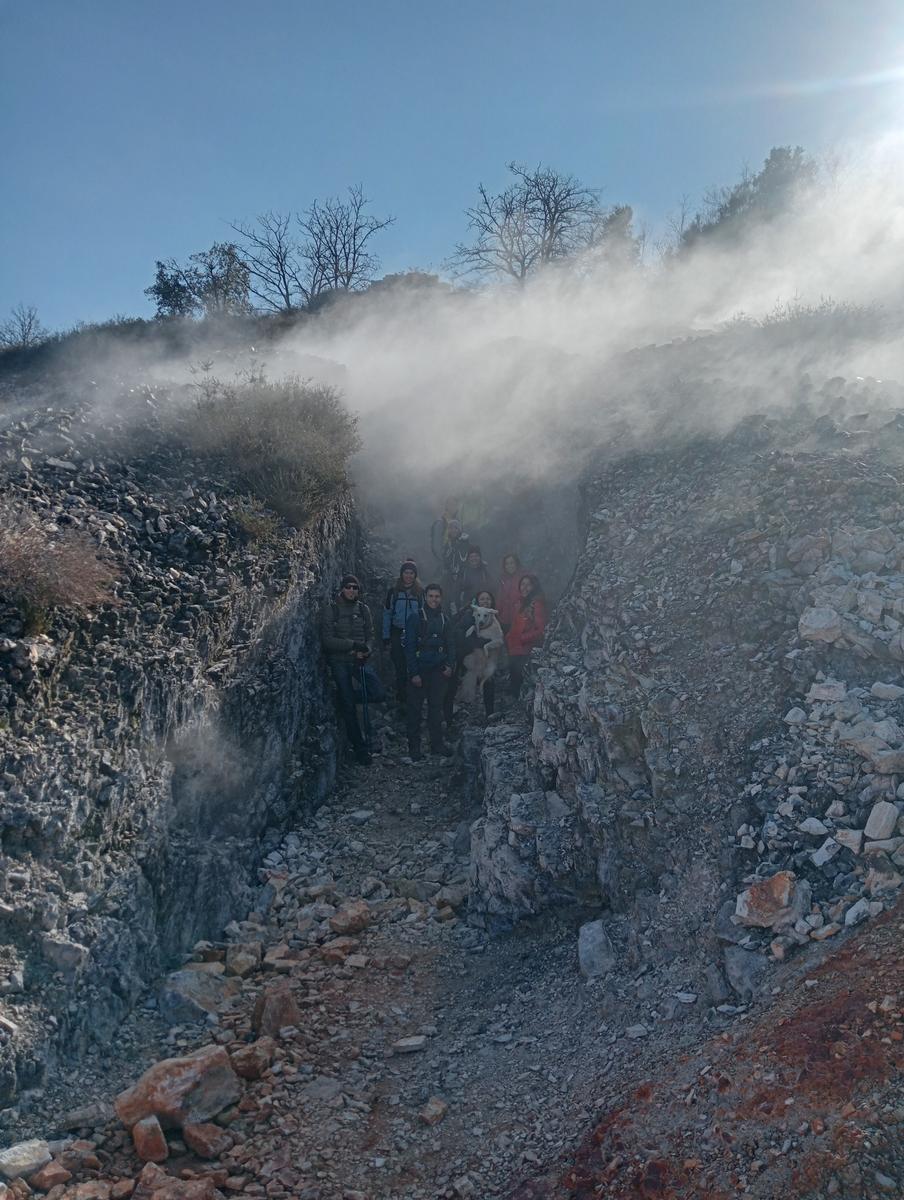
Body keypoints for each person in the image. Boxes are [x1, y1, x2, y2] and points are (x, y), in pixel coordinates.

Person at [321, 574, 374, 765]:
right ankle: (360, 748)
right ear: (342, 589)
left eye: (355, 588)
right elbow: (327, 641)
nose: (352, 590)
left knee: (378, 692)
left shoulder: (363, 609)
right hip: (340, 662)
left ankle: (345, 697)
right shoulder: (331, 610)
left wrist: (366, 650)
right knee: (350, 708)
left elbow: (370, 634)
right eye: (348, 587)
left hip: (360, 661)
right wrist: (353, 646)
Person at [405, 582, 453, 761]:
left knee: (435, 708)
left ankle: (437, 745)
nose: (434, 599)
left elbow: (451, 644)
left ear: (441, 598)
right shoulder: (415, 618)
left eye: (437, 596)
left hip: (438, 670)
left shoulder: (444, 619)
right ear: (425, 597)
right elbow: (409, 647)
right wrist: (413, 673)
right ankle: (414, 748)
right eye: (431, 596)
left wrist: (450, 666)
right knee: (415, 710)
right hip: (420, 669)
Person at [444, 589, 498, 722]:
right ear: (477, 601)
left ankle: (489, 713)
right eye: (482, 599)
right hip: (462, 652)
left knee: (489, 678)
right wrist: (477, 644)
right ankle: (447, 716)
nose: (485, 601)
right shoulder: (470, 615)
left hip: (478, 653)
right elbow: (459, 633)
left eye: (488, 599)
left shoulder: (492, 616)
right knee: (452, 683)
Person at [382, 560, 423, 708]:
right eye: (406, 572)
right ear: (401, 574)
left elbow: (424, 615)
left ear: (415, 575)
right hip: (397, 631)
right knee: (399, 664)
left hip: (414, 634)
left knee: (413, 664)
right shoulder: (393, 592)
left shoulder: (420, 593)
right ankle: (402, 697)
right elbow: (387, 614)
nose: (409, 575)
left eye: (412, 573)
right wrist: (386, 636)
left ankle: (414, 696)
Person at [506, 573, 547, 696]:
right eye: (522, 584)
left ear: (534, 587)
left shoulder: (536, 604)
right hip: (515, 649)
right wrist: (509, 637)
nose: (525, 587)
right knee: (515, 681)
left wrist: (522, 639)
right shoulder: (522, 603)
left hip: (525, 650)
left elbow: (541, 630)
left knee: (521, 683)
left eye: (529, 585)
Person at [441, 521, 470, 612]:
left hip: (461, 577)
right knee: (448, 602)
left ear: (459, 530)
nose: (453, 530)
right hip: (449, 578)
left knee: (459, 603)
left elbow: (464, 559)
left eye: (455, 528)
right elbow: (445, 561)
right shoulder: (448, 544)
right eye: (451, 528)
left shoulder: (464, 541)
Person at [497, 552, 527, 634]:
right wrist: (497, 613)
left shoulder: (524, 577)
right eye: (507, 564)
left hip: (519, 617)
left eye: (512, 563)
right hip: (504, 618)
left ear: (516, 564)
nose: (509, 566)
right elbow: (500, 598)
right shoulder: (503, 579)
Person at [456, 545, 491, 613]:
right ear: (468, 558)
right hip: (466, 608)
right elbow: (457, 591)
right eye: (471, 556)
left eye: (476, 556)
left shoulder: (484, 571)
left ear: (480, 557)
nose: (474, 558)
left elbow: (491, 588)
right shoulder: (463, 572)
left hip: (482, 608)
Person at [430, 497, 460, 566]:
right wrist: (443, 560)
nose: (453, 507)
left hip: (455, 560)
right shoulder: (440, 523)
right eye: (451, 504)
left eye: (455, 505)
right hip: (443, 561)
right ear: (446, 506)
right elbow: (436, 546)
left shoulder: (458, 522)